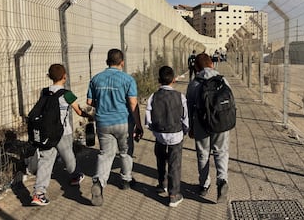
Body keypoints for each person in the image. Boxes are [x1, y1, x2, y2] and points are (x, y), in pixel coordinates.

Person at [87, 48, 143, 206]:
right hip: (123, 122)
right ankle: (126, 180)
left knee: (105, 154)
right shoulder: (128, 79)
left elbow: (90, 102)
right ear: (122, 63)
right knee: (125, 152)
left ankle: (99, 182)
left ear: (107, 62)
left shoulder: (96, 79)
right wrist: (138, 125)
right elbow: (133, 103)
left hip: (103, 122)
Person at [31, 63, 92, 206]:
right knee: (68, 157)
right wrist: (89, 116)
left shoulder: (44, 91)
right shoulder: (67, 94)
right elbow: (78, 111)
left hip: (47, 132)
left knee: (46, 161)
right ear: (65, 77)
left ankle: (38, 194)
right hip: (63, 132)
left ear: (50, 77)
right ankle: (76, 176)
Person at [186, 53, 231, 203]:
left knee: (203, 154)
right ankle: (222, 180)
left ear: (197, 67)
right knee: (221, 152)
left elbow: (189, 108)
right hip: (221, 122)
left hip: (201, 123)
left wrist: (190, 128)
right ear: (211, 64)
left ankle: (204, 185)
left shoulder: (194, 83)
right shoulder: (222, 79)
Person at [145, 66, 189, 207]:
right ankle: (173, 195)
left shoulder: (153, 96)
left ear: (159, 80)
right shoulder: (180, 96)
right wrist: (185, 131)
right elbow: (185, 118)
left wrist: (154, 130)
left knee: (160, 160)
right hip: (176, 135)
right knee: (174, 165)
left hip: (159, 135)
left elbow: (148, 119)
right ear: (174, 80)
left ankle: (162, 183)